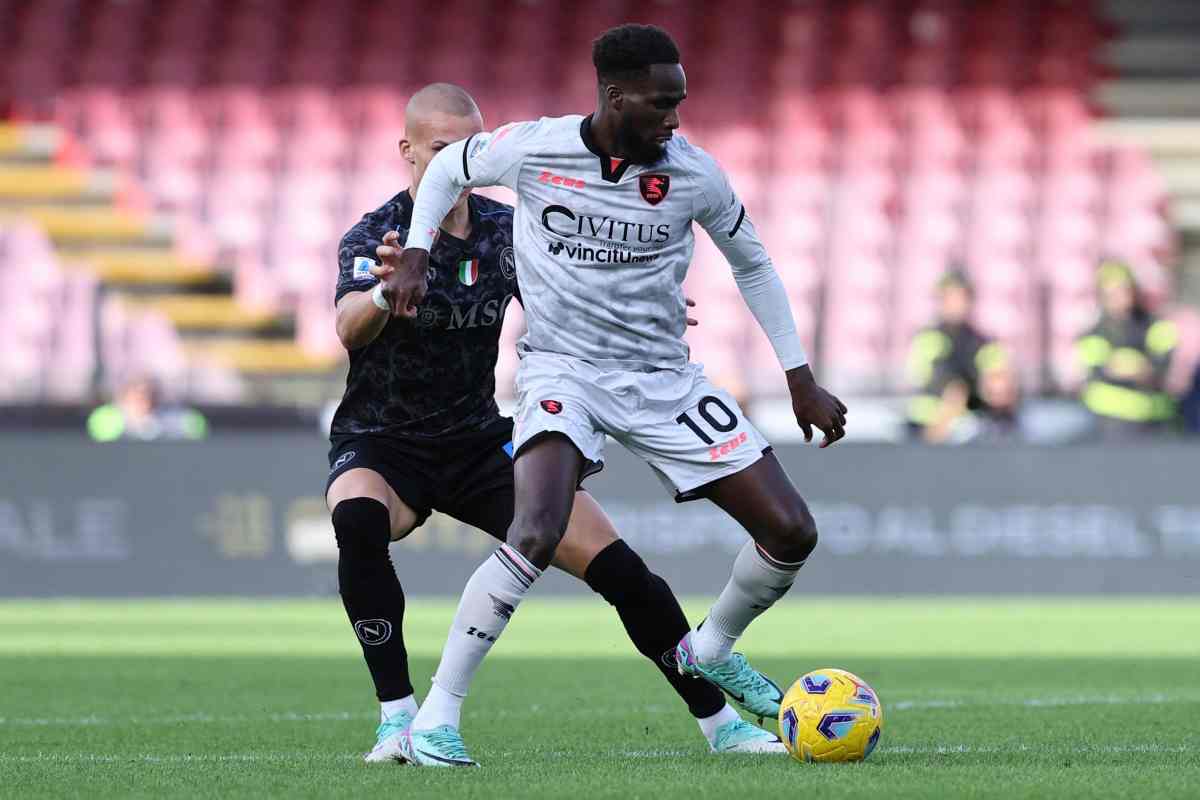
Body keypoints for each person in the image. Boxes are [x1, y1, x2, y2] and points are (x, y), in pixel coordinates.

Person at [383, 25, 847, 765]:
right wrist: (417, 251)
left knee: (792, 531)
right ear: (615, 96)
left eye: (680, 102)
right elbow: (446, 171)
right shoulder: (535, 147)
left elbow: (753, 264)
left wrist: (799, 376)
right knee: (535, 529)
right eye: (662, 104)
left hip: (663, 378)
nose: (675, 119)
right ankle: (436, 720)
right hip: (562, 371)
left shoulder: (694, 174)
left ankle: (712, 648)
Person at [1076, 259, 1177, 438]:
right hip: (1108, 424)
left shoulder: (1155, 326)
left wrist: (1125, 366)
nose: (1119, 297)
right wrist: (1136, 367)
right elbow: (1099, 372)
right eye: (1112, 292)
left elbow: (1160, 367)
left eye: (1124, 290)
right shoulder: (1095, 332)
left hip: (1154, 422)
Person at [905, 270, 1005, 440]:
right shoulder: (927, 337)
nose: (956, 304)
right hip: (925, 422)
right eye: (950, 298)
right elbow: (924, 377)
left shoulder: (983, 342)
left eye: (960, 297)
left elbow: (997, 382)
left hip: (973, 422)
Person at [87, 374, 207, 442]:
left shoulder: (176, 420)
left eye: (147, 394)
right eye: (136, 393)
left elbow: (194, 428)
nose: (143, 399)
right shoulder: (107, 419)